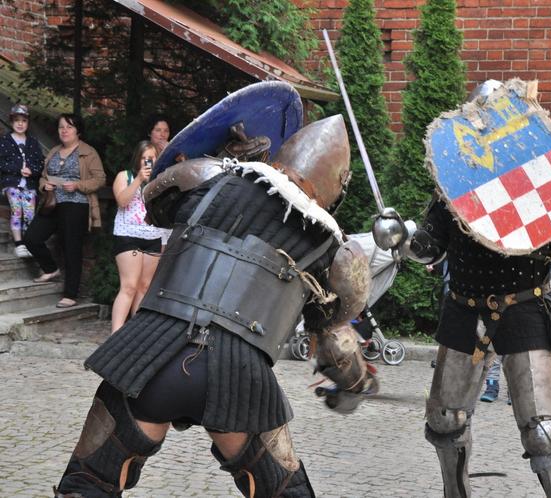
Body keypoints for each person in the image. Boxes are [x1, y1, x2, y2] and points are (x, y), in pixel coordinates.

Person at [53, 114, 376, 498]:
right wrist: (356, 385)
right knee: (285, 492)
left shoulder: (210, 178)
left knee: (87, 483)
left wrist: (226, 156)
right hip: (237, 381)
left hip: (146, 358)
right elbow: (336, 342)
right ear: (337, 185)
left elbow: (156, 202)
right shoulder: (329, 247)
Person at [373, 80, 551, 498]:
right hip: (465, 309)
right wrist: (401, 238)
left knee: (544, 432)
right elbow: (430, 245)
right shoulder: (454, 184)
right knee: (445, 420)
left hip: (523, 307)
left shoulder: (536, 174)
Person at [23, 113, 106, 309]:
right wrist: (44, 186)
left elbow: (100, 179)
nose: (65, 130)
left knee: (72, 248)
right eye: (61, 127)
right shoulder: (53, 151)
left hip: (76, 204)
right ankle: (51, 269)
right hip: (52, 203)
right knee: (31, 238)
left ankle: (70, 294)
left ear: (78, 131)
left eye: (69, 127)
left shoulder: (88, 152)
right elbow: (43, 177)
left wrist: (77, 185)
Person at [110, 140, 169, 333]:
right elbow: (122, 201)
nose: (148, 162)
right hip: (128, 235)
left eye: (152, 158)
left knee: (144, 287)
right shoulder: (125, 176)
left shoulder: (161, 179)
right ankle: (116, 334)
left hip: (153, 236)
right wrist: (138, 180)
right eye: (145, 158)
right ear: (138, 159)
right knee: (129, 286)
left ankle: (135, 334)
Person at [0, 103, 44, 258]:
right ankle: (18, 244)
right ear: (11, 122)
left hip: (29, 185)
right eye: (17, 120)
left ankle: (27, 243)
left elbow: (40, 163)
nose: (20, 124)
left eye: (24, 120)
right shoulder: (5, 141)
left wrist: (32, 171)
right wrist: (18, 169)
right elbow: (1, 163)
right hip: (12, 183)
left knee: (29, 213)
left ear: (28, 123)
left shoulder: (33, 142)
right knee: (17, 210)